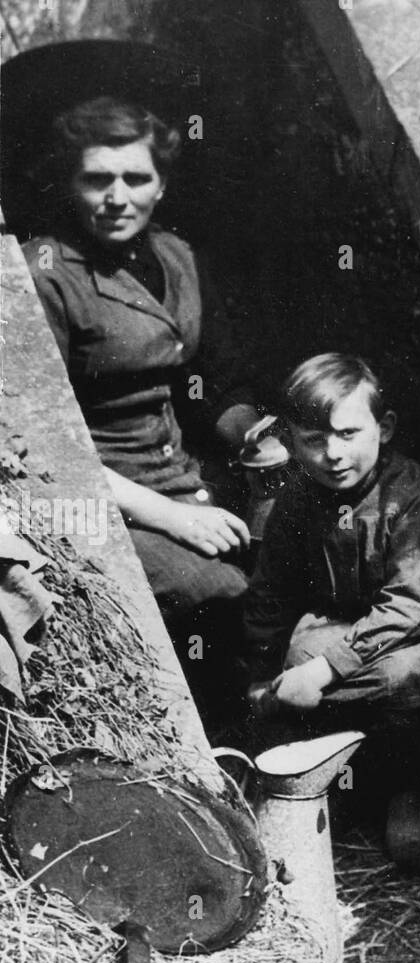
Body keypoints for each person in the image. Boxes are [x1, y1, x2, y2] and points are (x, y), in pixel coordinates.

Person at [22, 97, 261, 725]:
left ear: (161, 183)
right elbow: (42, 452)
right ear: (71, 183)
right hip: (95, 496)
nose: (116, 197)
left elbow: (215, 377)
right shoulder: (43, 275)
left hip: (183, 473)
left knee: (296, 543)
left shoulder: (176, 256)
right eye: (97, 178)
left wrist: (255, 437)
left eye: (135, 178)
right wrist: (171, 518)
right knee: (216, 588)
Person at [244, 353, 420, 872]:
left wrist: (324, 667)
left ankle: (412, 787)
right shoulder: (295, 500)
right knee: (298, 649)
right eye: (313, 439)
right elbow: (271, 591)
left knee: (409, 678)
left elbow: (409, 604)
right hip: (333, 633)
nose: (333, 454)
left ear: (385, 427)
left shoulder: (416, 494)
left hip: (407, 643)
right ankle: (325, 780)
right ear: (291, 441)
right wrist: (261, 675)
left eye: (348, 434)